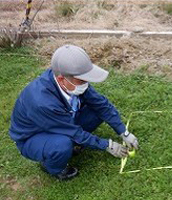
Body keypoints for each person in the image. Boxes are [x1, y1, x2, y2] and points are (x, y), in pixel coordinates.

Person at [9, 45, 139, 180]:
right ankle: (52, 167)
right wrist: (107, 145)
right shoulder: (43, 103)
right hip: (32, 136)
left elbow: (102, 105)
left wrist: (123, 132)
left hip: (59, 121)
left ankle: (73, 144)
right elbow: (73, 131)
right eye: (82, 80)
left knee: (96, 111)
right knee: (62, 144)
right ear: (61, 79)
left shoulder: (72, 83)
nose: (86, 83)